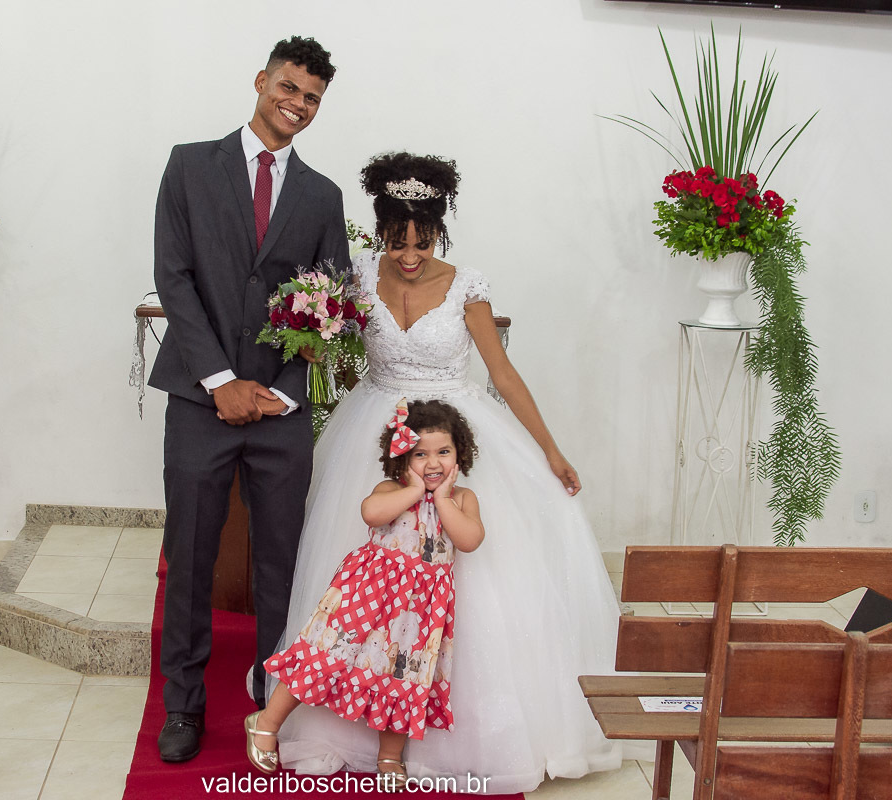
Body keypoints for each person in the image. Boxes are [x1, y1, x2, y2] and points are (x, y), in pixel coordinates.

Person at [264, 152, 625, 793]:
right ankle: (332, 724)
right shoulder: (351, 280)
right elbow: (333, 357)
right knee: (358, 587)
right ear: (380, 231)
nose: (409, 254)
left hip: (454, 432)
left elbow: (503, 375)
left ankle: (454, 737)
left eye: (423, 241)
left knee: (475, 583)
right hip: (375, 434)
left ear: (439, 231)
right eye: (397, 241)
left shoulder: (466, 286)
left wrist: (550, 449)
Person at [147, 36, 350, 763]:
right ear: (262, 81)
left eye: (312, 99)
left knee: (281, 562)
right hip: (201, 402)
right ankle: (184, 705)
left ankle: (272, 697)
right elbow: (175, 279)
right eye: (289, 88)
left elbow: (335, 305)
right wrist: (219, 381)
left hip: (280, 412)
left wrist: (284, 395)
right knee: (191, 555)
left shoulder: (323, 196)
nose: (297, 105)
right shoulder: (189, 166)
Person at [247, 399, 485, 790]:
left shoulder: (462, 499)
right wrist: (413, 490)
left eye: (443, 452)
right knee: (325, 654)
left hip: (419, 611)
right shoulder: (392, 489)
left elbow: (470, 539)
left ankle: (390, 755)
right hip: (367, 592)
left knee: (403, 676)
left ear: (460, 453)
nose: (432, 464)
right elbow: (371, 514)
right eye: (419, 454)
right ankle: (266, 722)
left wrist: (441, 498)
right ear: (401, 458)